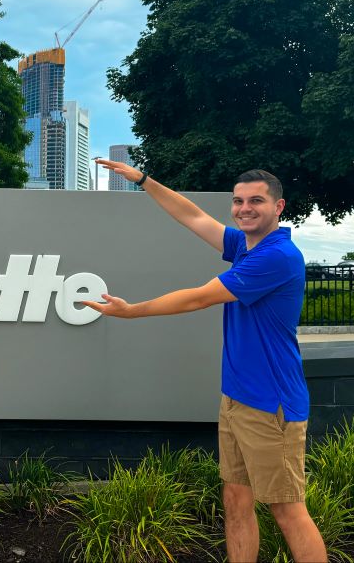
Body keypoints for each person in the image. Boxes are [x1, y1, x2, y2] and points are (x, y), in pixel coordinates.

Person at [87, 160, 326, 563]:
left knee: (287, 510)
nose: (244, 208)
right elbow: (192, 215)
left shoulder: (277, 256)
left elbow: (200, 297)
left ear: (279, 206)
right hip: (236, 398)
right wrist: (144, 180)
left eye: (256, 201)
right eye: (238, 201)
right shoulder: (245, 246)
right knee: (235, 498)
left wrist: (132, 312)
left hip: (271, 405)